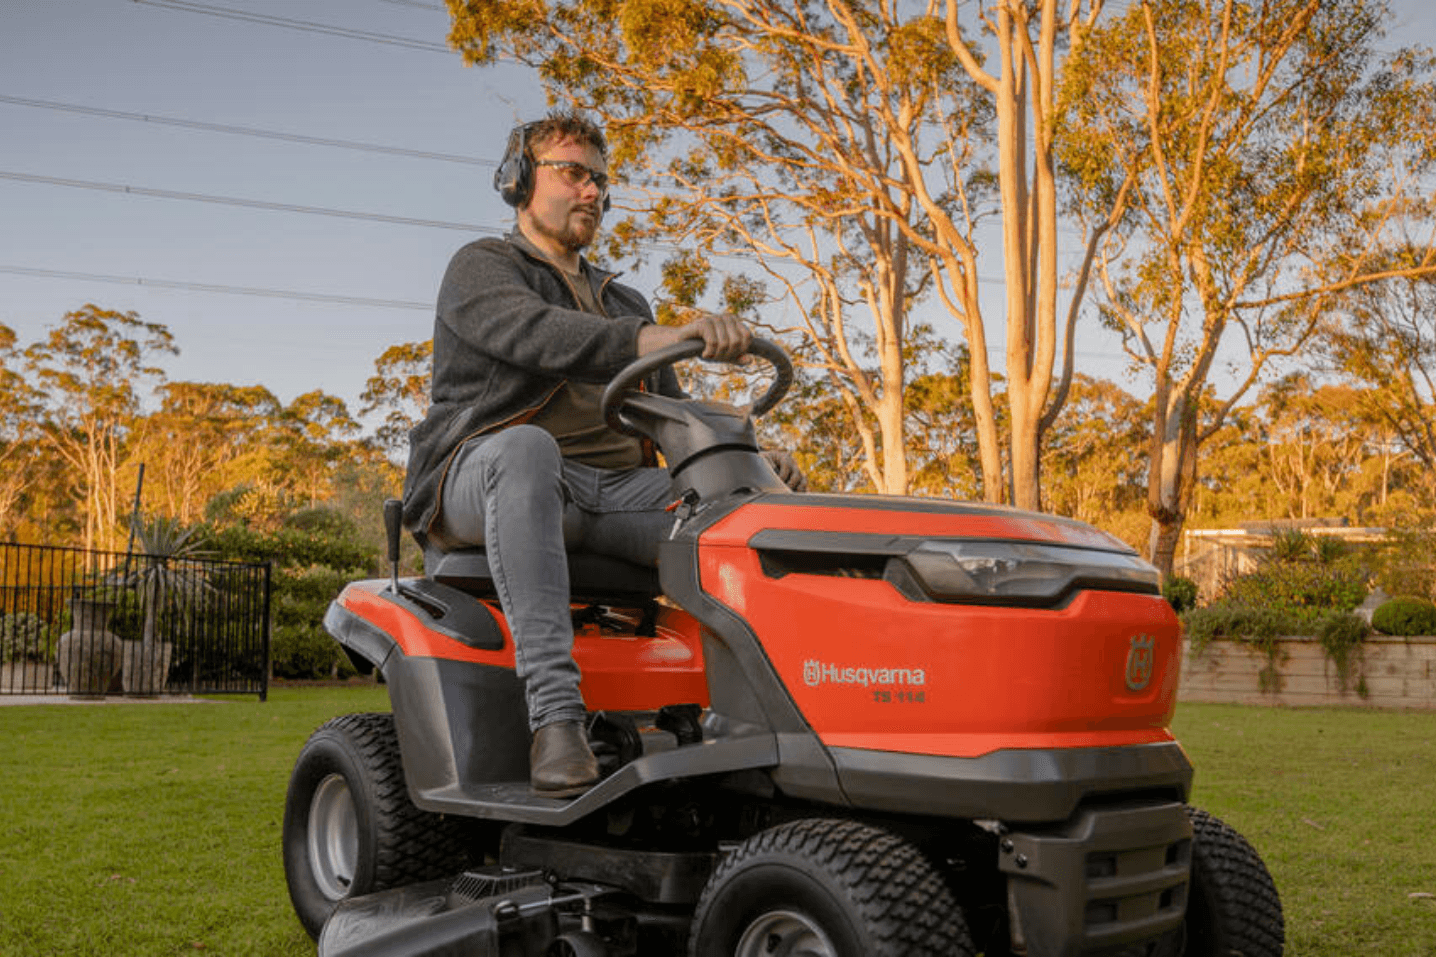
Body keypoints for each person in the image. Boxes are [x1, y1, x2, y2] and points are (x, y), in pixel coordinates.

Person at [402, 111, 804, 798]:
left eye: (600, 179)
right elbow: (540, 336)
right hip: (484, 480)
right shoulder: (482, 268)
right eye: (573, 173)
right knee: (527, 448)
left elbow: (673, 418)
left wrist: (752, 457)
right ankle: (556, 718)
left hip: (613, 495)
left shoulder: (625, 299)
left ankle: (781, 714)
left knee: (746, 502)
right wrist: (652, 334)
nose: (593, 192)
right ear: (520, 181)